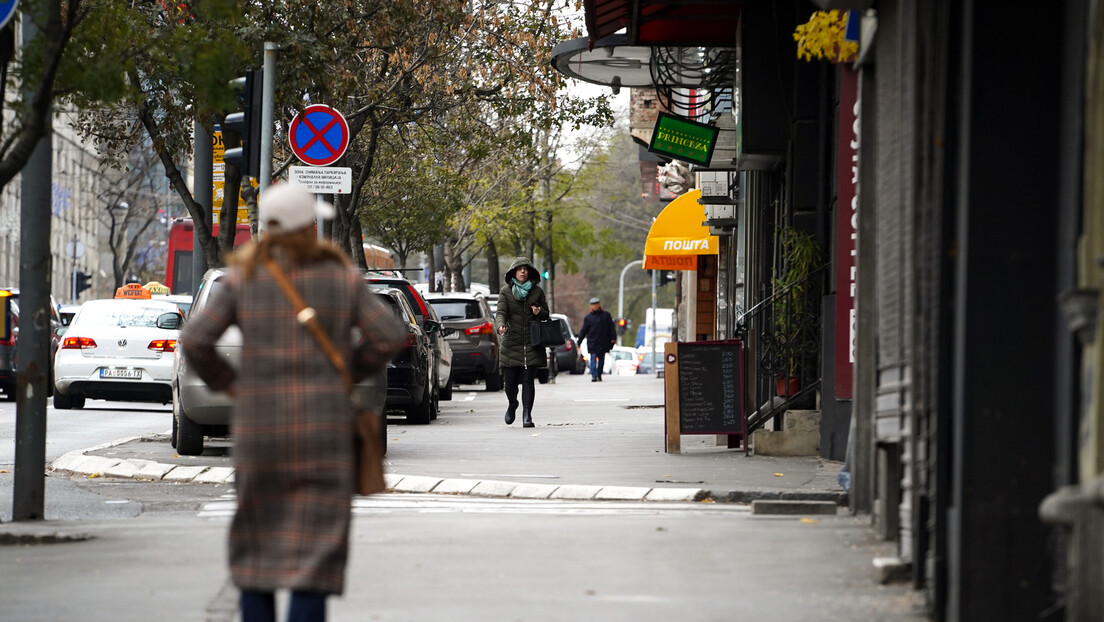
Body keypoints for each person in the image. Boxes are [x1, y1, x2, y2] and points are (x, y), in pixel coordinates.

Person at [180, 183, 404, 622]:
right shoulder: (341, 279)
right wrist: (348, 370)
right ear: (308, 227)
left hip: (259, 427)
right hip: (325, 427)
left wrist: (234, 386)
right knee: (316, 550)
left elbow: (196, 339)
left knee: (256, 545)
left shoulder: (244, 279)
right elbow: (391, 335)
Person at [494, 257, 549, 428]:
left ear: (530, 272)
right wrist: (500, 324)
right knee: (510, 383)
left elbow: (546, 314)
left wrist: (539, 311)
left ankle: (527, 415)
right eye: (519, 269)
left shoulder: (537, 292)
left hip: (532, 342)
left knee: (528, 380)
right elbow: (501, 312)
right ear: (514, 272)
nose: (523, 272)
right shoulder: (506, 291)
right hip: (512, 342)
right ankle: (512, 404)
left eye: (525, 269)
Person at [577, 296, 617, 381]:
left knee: (601, 359)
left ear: (599, 305)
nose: (595, 306)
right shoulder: (588, 317)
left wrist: (613, 338)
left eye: (596, 304)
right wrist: (579, 341)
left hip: (603, 341)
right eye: (593, 304)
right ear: (590, 306)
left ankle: (599, 374)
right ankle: (594, 375)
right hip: (592, 341)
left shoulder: (606, 315)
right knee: (593, 358)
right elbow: (584, 330)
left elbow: (611, 327)